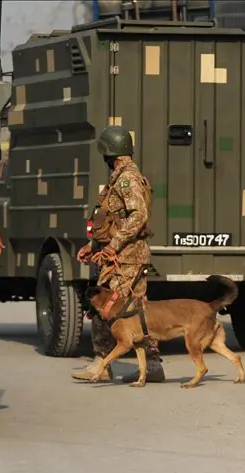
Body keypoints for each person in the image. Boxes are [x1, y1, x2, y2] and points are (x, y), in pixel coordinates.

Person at [71, 125, 165, 383]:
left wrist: (113, 245)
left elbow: (138, 215)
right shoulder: (120, 177)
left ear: (109, 153)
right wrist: (93, 246)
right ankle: (152, 365)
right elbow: (112, 218)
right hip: (126, 256)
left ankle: (102, 364)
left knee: (105, 305)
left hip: (126, 258)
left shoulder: (127, 179)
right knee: (138, 311)